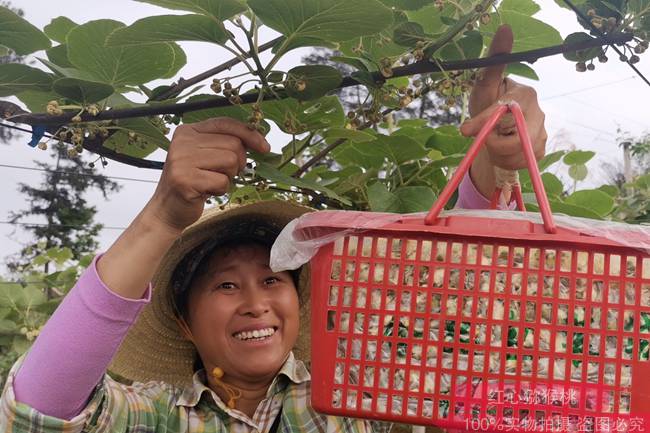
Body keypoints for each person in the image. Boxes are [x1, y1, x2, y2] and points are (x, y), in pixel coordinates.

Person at [0, 25, 546, 433]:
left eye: (273, 280)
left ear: (299, 301)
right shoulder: (158, 416)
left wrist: (491, 169)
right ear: (184, 322)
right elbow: (35, 412)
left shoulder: (353, 398)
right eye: (225, 285)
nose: (256, 303)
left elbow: (460, 303)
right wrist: (162, 216)